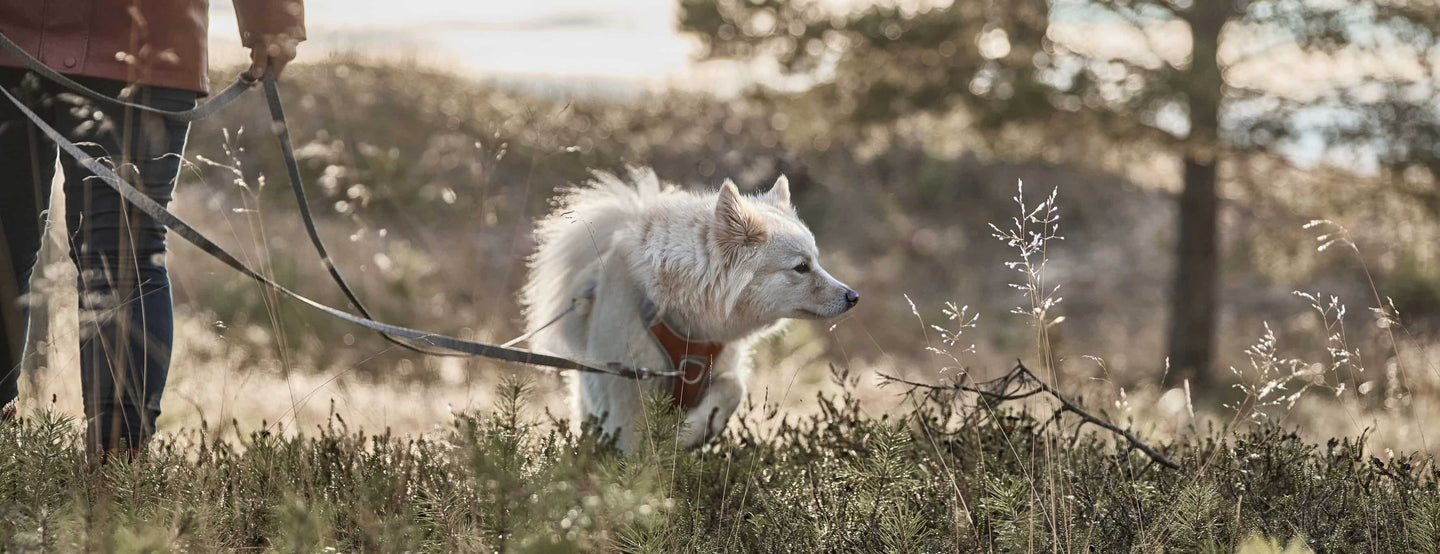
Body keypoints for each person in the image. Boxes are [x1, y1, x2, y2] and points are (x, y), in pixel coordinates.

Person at [0, 0, 305, 459]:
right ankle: (114, 467)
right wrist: (273, 22)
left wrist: (273, 19)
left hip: (144, 36)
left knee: (122, 256)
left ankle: (117, 464)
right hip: (26, 33)